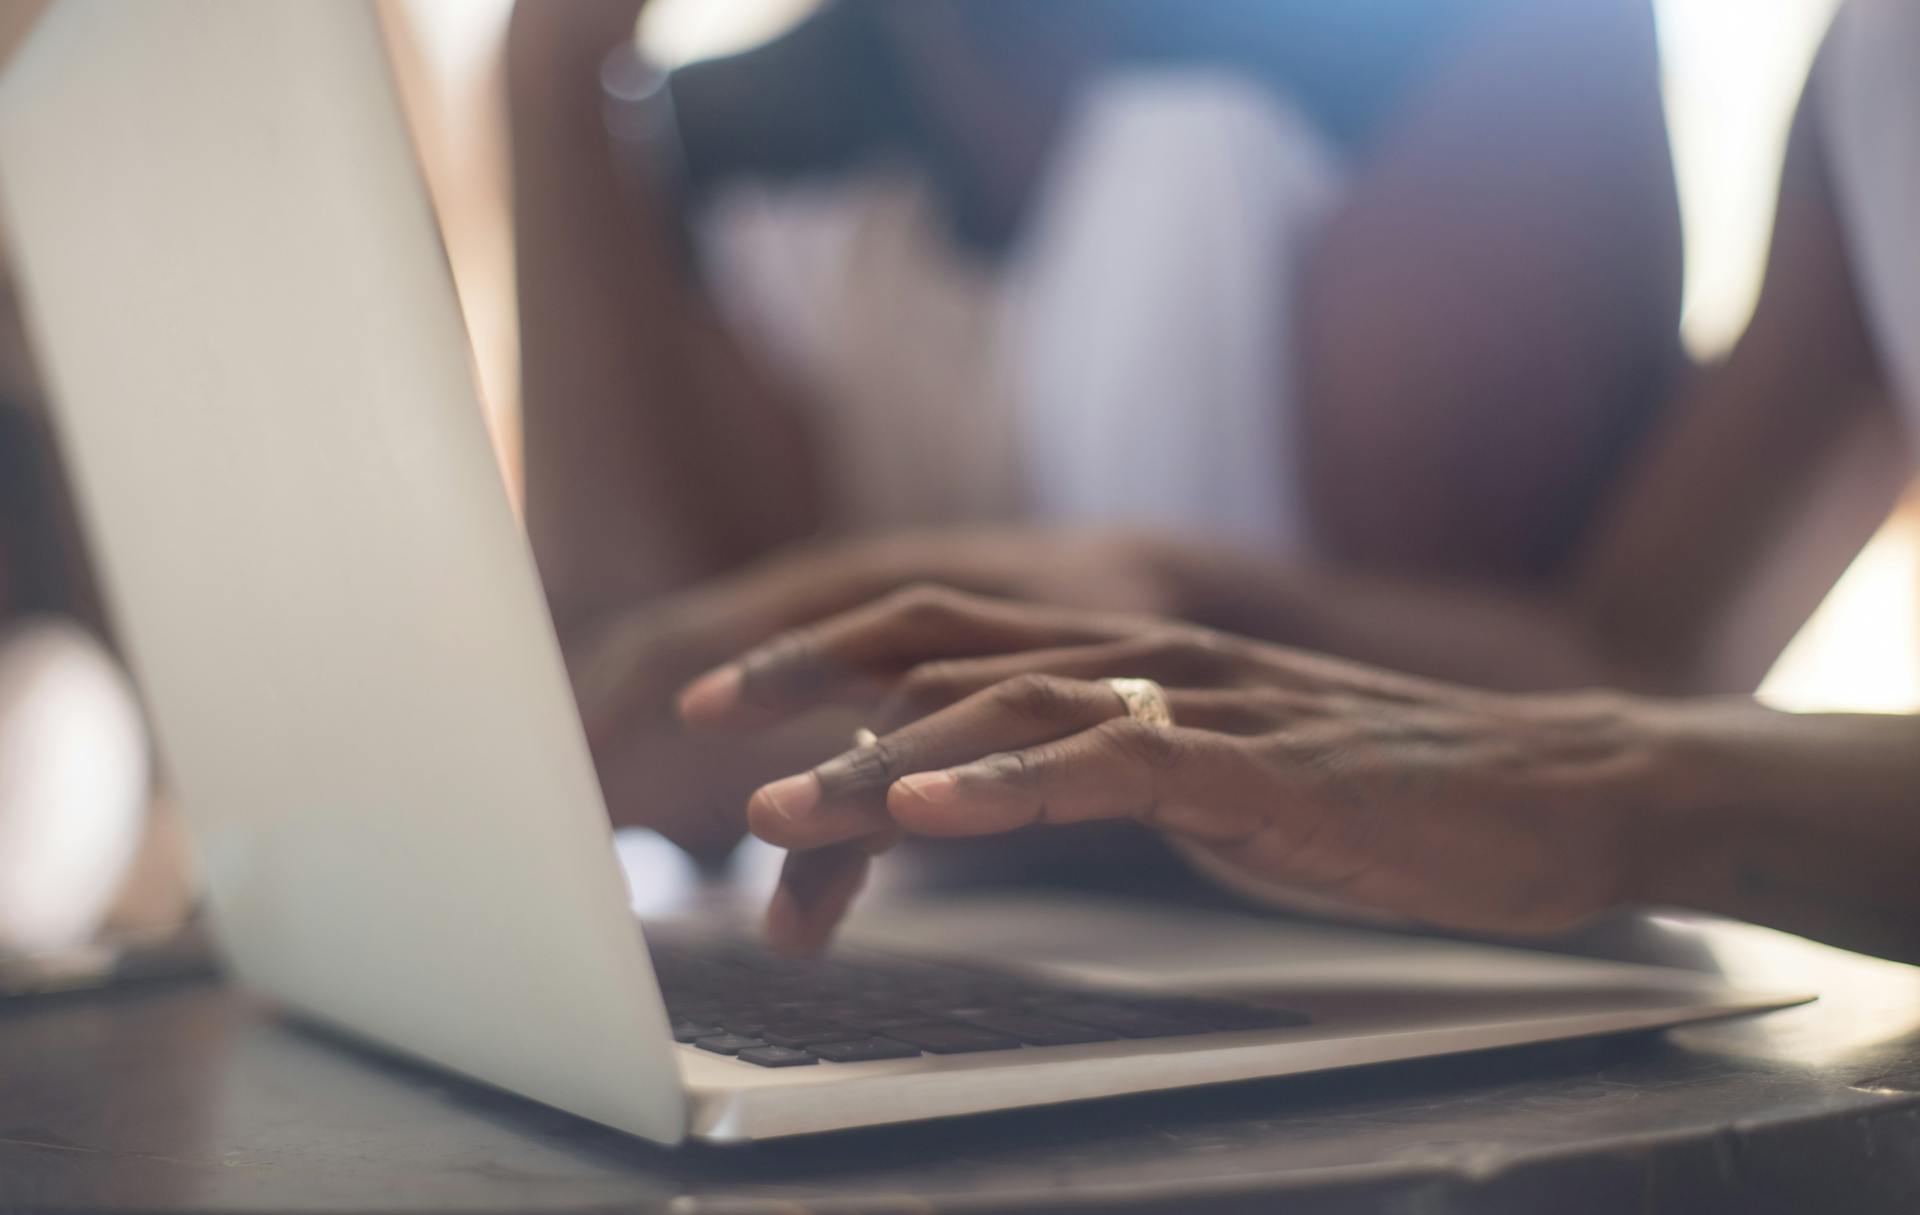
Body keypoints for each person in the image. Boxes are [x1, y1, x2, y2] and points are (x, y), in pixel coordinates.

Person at [660, 0, 1920, 965]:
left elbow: (1633, 702)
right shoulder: (1870, 60)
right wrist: (1191, 616)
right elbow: (1642, 657)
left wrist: (1612, 801)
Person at [509, 0, 1686, 855]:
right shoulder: (719, 134)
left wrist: (1155, 605)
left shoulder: (1477, 43)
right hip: (957, 986)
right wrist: (552, 70)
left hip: (1439, 1001)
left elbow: (1611, 705)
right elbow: (627, 720)